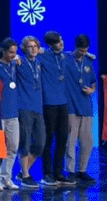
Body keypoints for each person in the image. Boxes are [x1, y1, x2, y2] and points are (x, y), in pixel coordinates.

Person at [38, 31, 75, 186]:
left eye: (61, 41)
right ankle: (47, 173)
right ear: (50, 45)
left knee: (63, 138)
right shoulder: (43, 55)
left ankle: (59, 172)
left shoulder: (65, 56)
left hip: (63, 103)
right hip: (48, 103)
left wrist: (90, 57)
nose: (60, 44)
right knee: (48, 139)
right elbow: (24, 56)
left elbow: (80, 56)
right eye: (57, 42)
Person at [0, 38, 21, 191]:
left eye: (15, 52)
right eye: (11, 52)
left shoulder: (15, 64)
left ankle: (7, 178)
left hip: (13, 112)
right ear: (4, 51)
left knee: (13, 147)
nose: (13, 55)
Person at [64, 35, 96, 183]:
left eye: (85, 50)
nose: (83, 53)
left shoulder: (89, 61)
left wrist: (92, 90)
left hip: (86, 106)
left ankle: (82, 171)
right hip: (71, 106)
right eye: (80, 50)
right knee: (70, 140)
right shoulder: (66, 59)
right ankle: (70, 171)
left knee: (87, 141)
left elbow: (93, 83)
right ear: (75, 47)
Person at [15, 36, 46, 189]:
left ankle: (22, 171)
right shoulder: (19, 62)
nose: (33, 49)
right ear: (24, 49)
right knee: (25, 143)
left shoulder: (39, 62)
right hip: (24, 107)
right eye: (30, 46)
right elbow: (4, 61)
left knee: (40, 143)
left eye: (35, 46)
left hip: (38, 108)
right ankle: (26, 175)